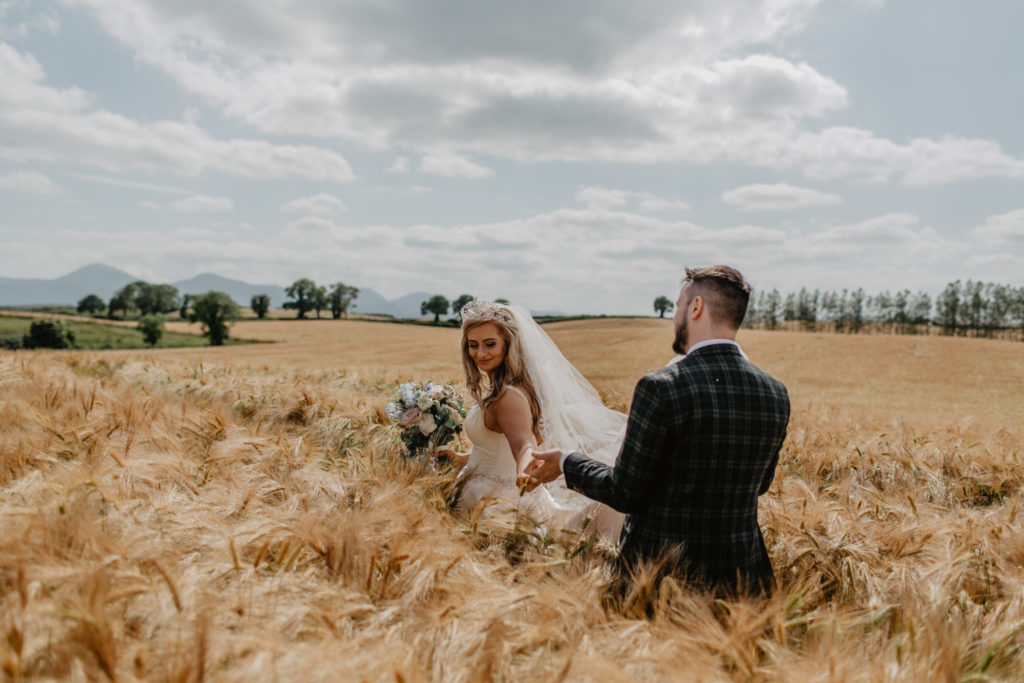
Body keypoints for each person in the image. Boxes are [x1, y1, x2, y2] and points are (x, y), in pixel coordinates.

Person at [524, 266, 791, 598]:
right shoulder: (775, 392)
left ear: (696, 308)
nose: (675, 315)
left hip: (660, 575)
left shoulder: (662, 387)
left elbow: (625, 492)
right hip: (744, 579)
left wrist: (566, 462)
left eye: (679, 306)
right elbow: (760, 485)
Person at [436, 301, 625, 540]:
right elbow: (498, 448)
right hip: (480, 493)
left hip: (495, 501)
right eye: (473, 345)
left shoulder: (507, 396)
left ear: (509, 344)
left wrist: (526, 467)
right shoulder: (503, 389)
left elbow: (524, 443)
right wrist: (462, 459)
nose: (480, 353)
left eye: (490, 344)